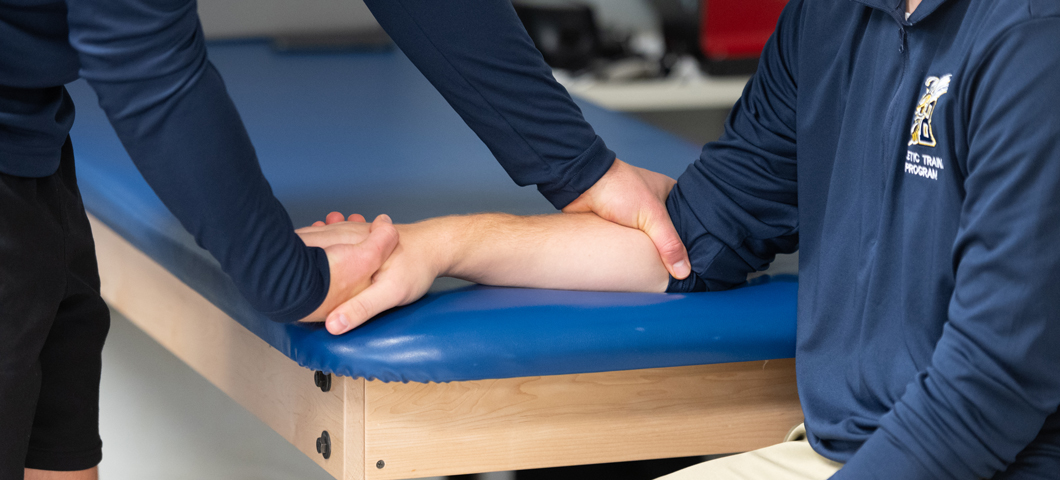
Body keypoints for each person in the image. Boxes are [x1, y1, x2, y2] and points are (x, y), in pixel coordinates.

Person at [300, 0, 1060, 478]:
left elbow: (990, 391)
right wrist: (437, 246)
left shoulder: (1032, 40)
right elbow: (693, 237)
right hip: (837, 450)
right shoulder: (830, 17)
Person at [0, 0, 689, 478]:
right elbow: (138, 52)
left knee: (55, 447)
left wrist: (579, 169)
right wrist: (284, 274)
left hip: (32, 145)